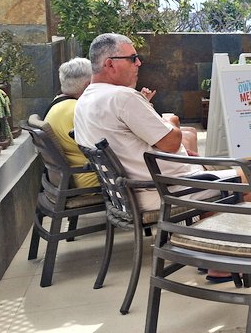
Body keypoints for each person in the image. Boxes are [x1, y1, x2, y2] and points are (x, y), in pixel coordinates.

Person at [73, 33, 232, 282]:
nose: (139, 63)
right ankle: (229, 258)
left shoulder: (85, 100)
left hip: (131, 193)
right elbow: (171, 141)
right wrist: (168, 120)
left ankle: (210, 255)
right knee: (244, 176)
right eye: (133, 58)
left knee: (212, 176)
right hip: (158, 191)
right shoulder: (121, 97)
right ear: (110, 63)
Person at [43, 57, 97, 188]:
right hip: (90, 179)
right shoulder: (78, 110)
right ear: (88, 85)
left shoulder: (58, 104)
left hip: (70, 177)